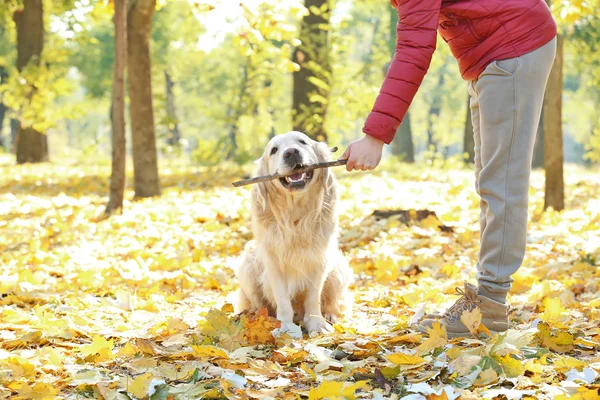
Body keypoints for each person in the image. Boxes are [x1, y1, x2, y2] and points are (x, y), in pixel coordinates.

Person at [339, 0, 557, 337]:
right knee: (491, 181)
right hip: (491, 55)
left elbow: (414, 49)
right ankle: (486, 300)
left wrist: (375, 137)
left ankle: (490, 305)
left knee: (502, 183)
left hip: (512, 45)